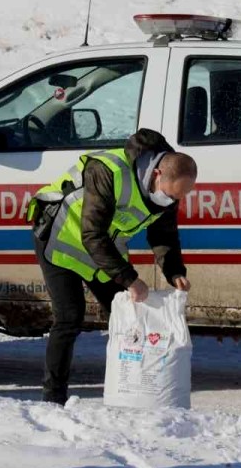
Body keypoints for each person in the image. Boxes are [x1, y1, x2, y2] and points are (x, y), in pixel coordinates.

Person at [29, 128, 197, 404]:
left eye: (178, 197)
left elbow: (164, 234)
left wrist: (174, 271)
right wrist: (129, 279)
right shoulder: (108, 171)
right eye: (170, 194)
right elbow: (92, 233)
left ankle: (131, 391)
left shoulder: (168, 191)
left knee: (126, 313)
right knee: (70, 316)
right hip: (60, 237)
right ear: (157, 174)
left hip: (103, 247)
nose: (171, 201)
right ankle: (53, 398)